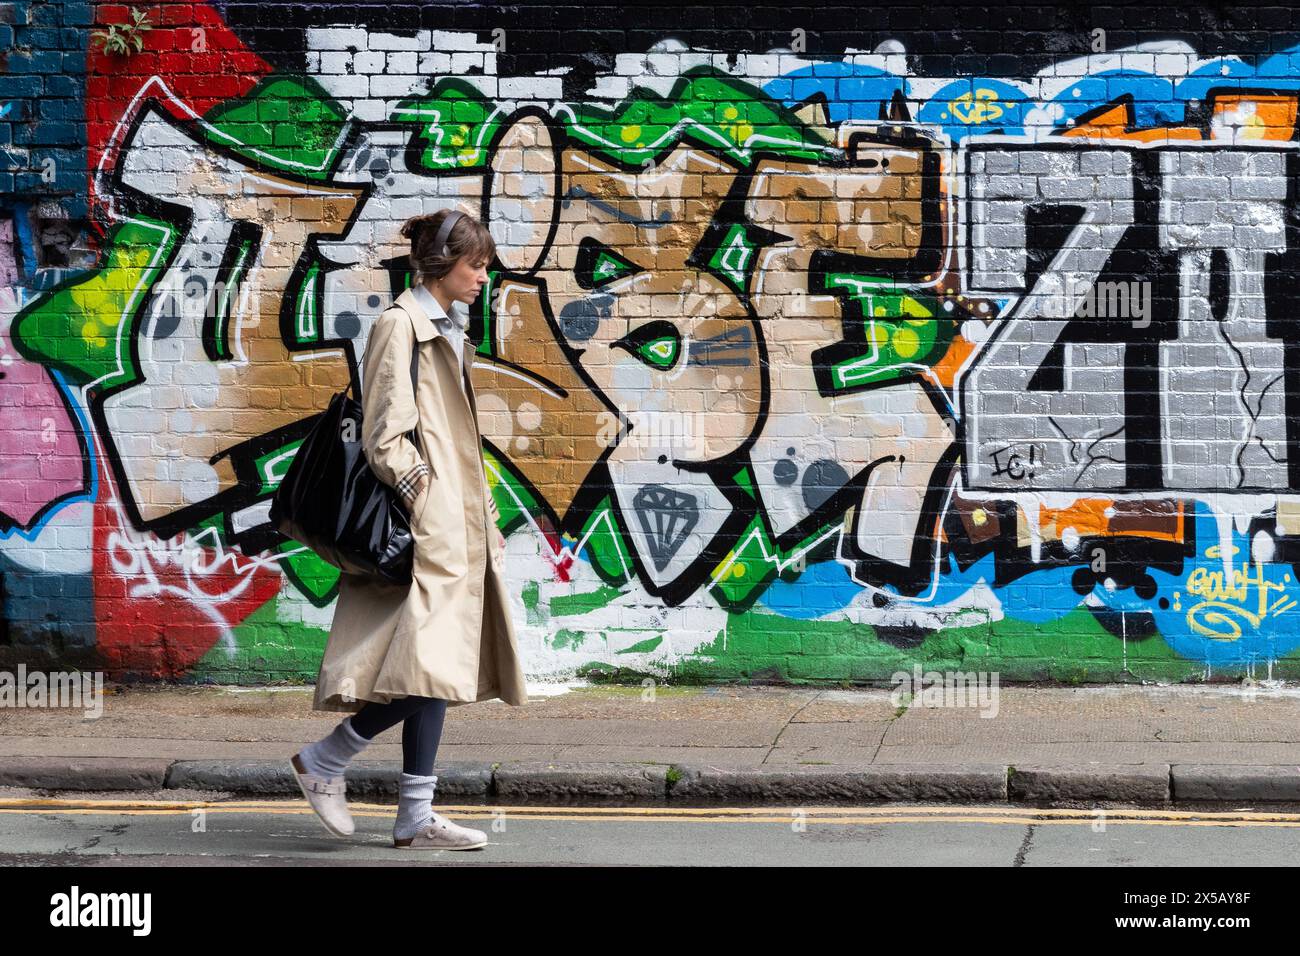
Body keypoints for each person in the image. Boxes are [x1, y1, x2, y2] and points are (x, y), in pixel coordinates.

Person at [289, 208, 527, 850]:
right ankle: (327, 758)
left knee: (437, 665)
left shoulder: (447, 327)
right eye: (476, 264)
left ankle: (414, 812)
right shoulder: (400, 326)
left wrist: (483, 514)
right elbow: (384, 435)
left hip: (456, 522)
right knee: (433, 665)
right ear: (444, 266)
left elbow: (458, 441)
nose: (485, 275)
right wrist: (430, 503)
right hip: (428, 526)